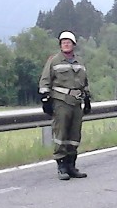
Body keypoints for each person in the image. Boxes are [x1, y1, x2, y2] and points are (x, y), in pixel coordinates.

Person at [39, 31, 91, 181]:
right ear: (60, 45)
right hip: (61, 102)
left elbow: (85, 82)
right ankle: (61, 166)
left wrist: (87, 99)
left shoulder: (80, 62)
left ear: (74, 44)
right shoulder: (54, 61)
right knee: (61, 134)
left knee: (74, 135)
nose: (66, 44)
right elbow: (45, 81)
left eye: (68, 42)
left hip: (77, 102)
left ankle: (71, 165)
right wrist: (45, 99)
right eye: (63, 42)